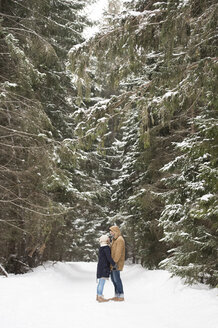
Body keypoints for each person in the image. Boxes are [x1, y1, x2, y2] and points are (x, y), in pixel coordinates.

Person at [96, 235, 116, 302]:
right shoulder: (106, 248)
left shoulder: (101, 247)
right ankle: (100, 296)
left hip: (100, 266)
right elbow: (109, 258)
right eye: (108, 238)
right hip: (104, 267)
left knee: (100, 282)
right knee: (102, 282)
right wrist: (114, 264)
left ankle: (98, 296)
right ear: (106, 240)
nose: (109, 239)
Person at [109, 225, 125, 302]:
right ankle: (116, 295)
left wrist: (114, 262)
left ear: (115, 231)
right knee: (113, 279)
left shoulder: (120, 240)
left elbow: (118, 253)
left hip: (116, 263)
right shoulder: (114, 240)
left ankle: (121, 295)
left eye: (111, 231)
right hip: (112, 263)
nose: (110, 232)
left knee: (117, 279)